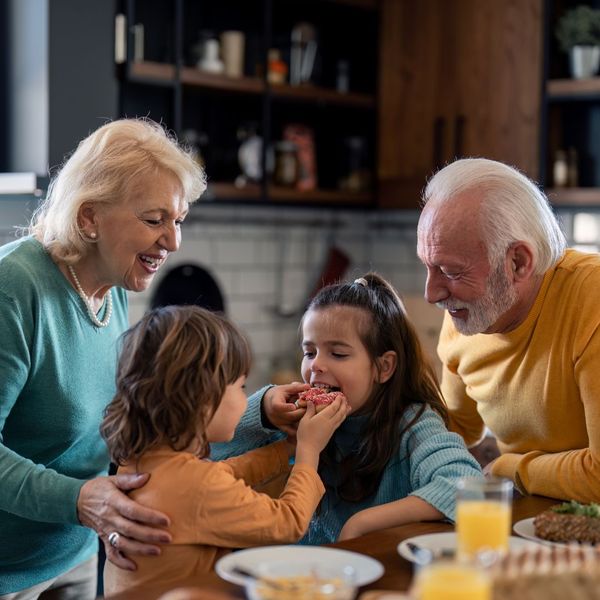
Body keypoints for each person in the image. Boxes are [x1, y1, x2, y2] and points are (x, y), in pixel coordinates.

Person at [0, 118, 206, 599]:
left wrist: (258, 412)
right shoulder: (14, 289)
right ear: (89, 218)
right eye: (154, 220)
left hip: (77, 554)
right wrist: (78, 500)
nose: (173, 242)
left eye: (178, 221)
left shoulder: (109, 286)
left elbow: (121, 418)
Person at [214, 273, 482, 542]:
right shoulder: (297, 420)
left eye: (338, 354)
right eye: (309, 352)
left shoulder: (412, 423)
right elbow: (203, 456)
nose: (316, 365)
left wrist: (362, 523)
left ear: (384, 367)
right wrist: (264, 411)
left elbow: (469, 486)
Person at [101, 305, 350, 595]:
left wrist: (287, 448)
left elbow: (219, 474)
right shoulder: (199, 486)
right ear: (203, 397)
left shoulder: (141, 460)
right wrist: (308, 451)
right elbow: (288, 522)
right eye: (241, 387)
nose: (246, 402)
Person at [416, 157, 600, 502]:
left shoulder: (592, 302)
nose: (432, 293)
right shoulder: (467, 314)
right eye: (429, 267)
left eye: (452, 272)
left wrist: (508, 468)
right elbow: (455, 428)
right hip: (529, 523)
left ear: (518, 262)